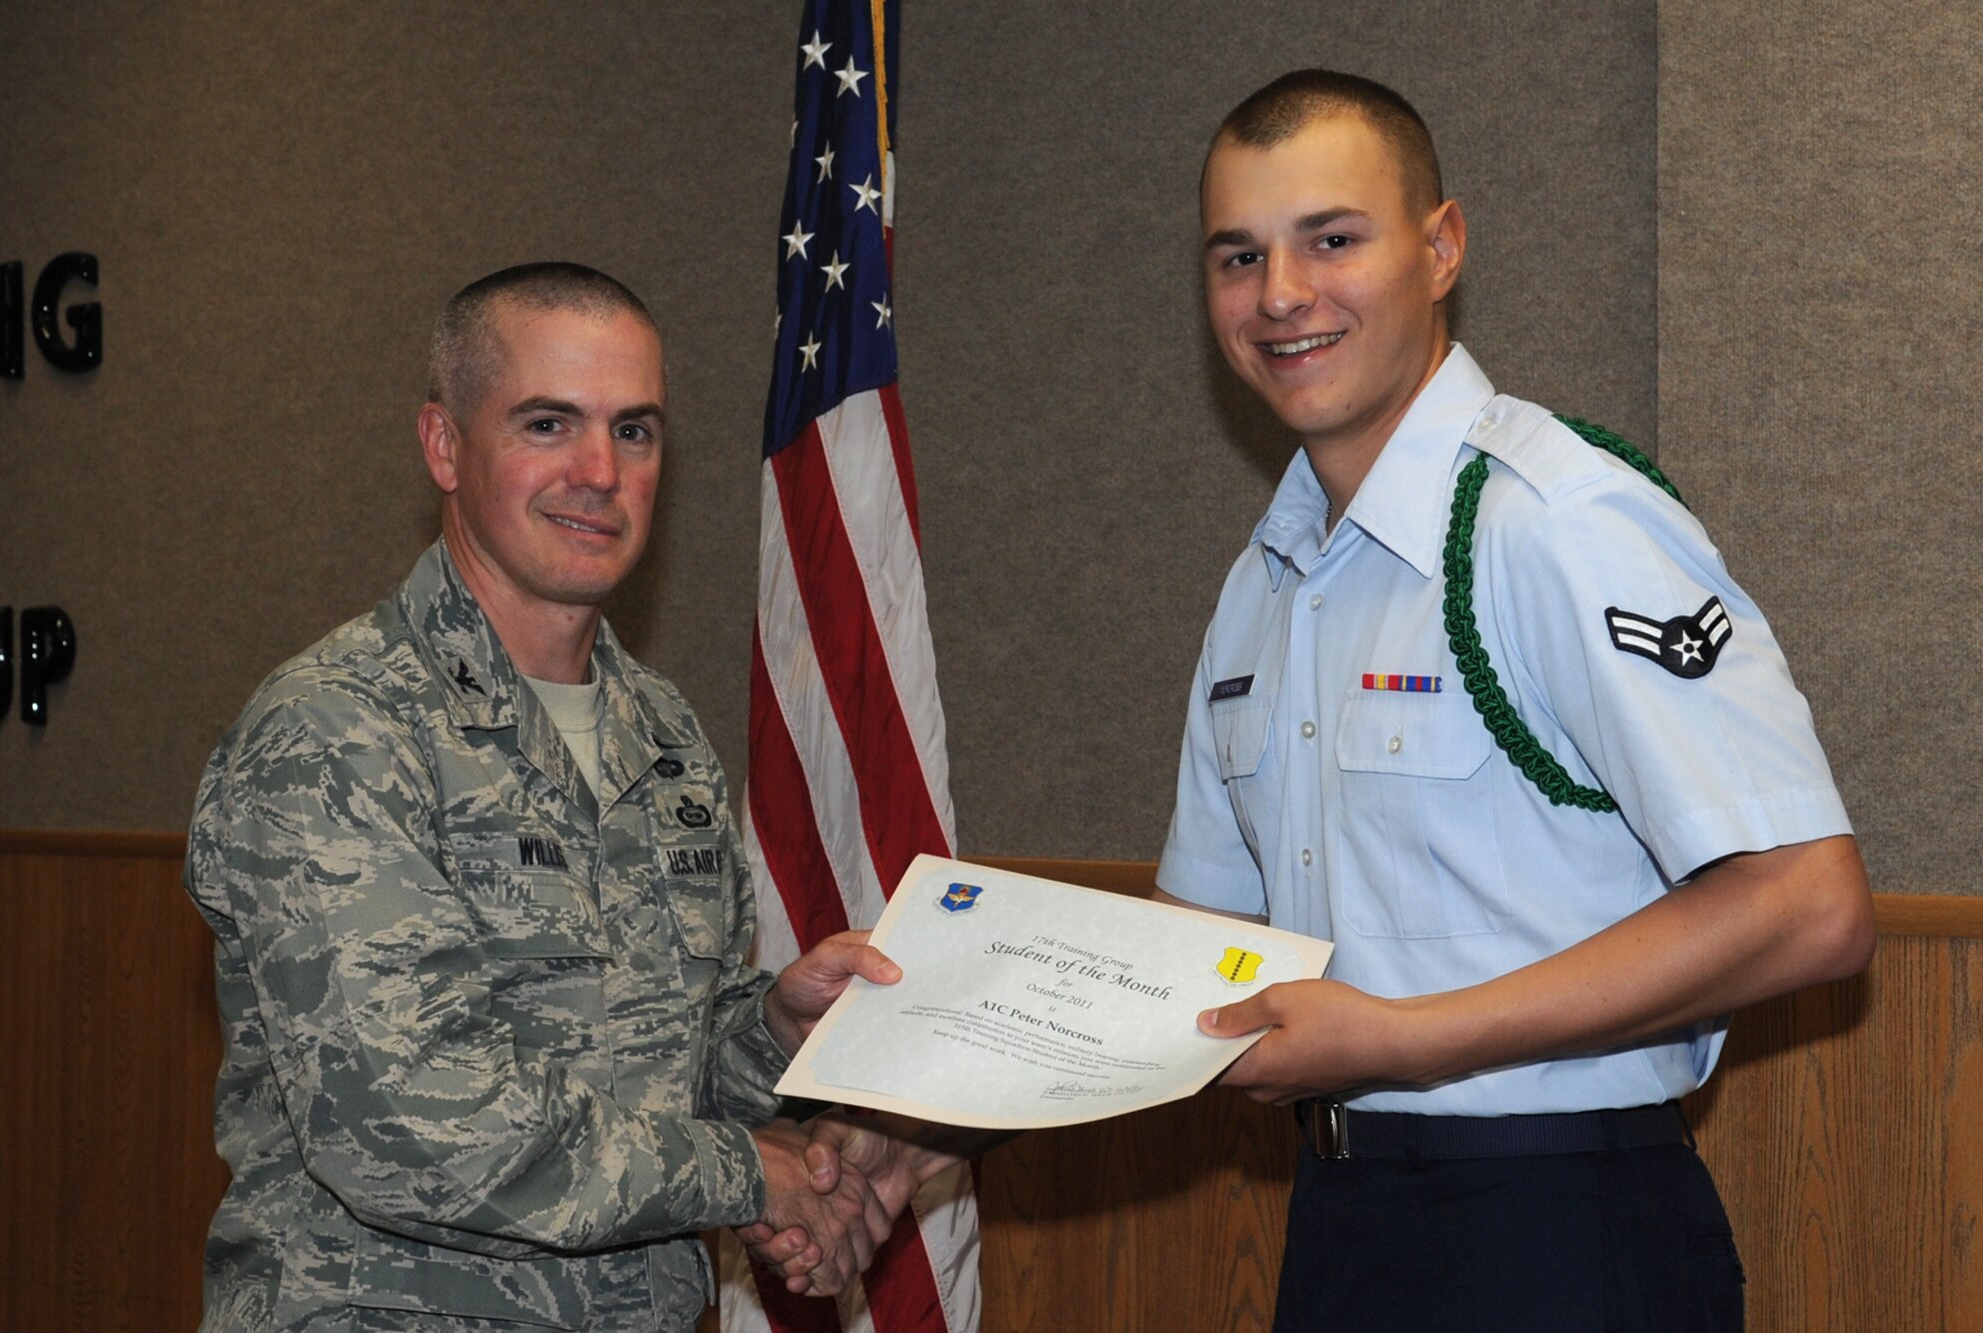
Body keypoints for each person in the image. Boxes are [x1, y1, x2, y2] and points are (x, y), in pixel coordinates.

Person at [749, 71, 1877, 1331]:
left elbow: (1806, 905)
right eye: (1238, 256)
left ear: (1439, 248)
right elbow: (1183, 967)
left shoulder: (1554, 522)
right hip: (1346, 1221)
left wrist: (1401, 1038)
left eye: (1330, 239)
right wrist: (923, 1130)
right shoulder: (1267, 580)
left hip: (1558, 1224)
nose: (1280, 293)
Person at [185, 262, 898, 1332]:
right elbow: (411, 1122)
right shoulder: (337, 729)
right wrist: (749, 1172)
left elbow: (648, 1061)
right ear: (444, 445)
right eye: (549, 423)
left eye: (634, 430)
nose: (600, 471)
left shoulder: (661, 733)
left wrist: (771, 1031)